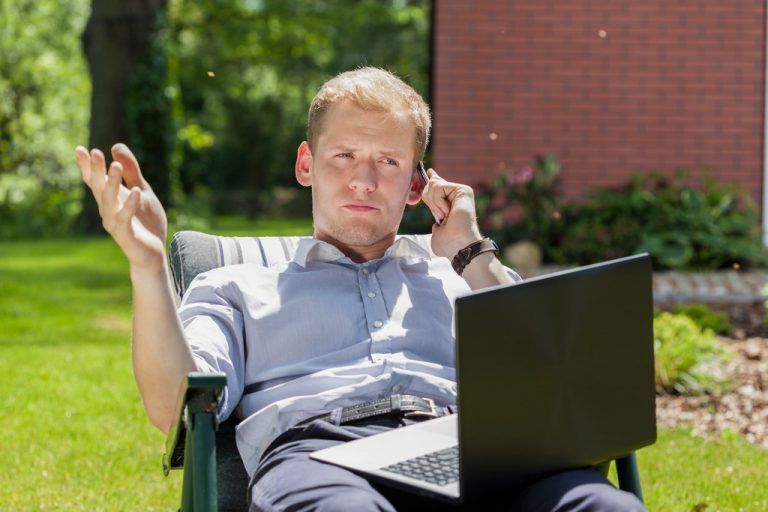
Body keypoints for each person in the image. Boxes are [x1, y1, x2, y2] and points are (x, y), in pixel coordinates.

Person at [75, 67, 643, 511]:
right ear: (306, 163)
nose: (364, 181)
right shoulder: (235, 285)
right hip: (322, 457)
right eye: (344, 155)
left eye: (388, 161)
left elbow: (553, 373)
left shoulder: (461, 276)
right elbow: (173, 405)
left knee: (602, 505)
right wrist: (147, 267)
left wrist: (470, 251)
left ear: (418, 183)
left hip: (473, 453)